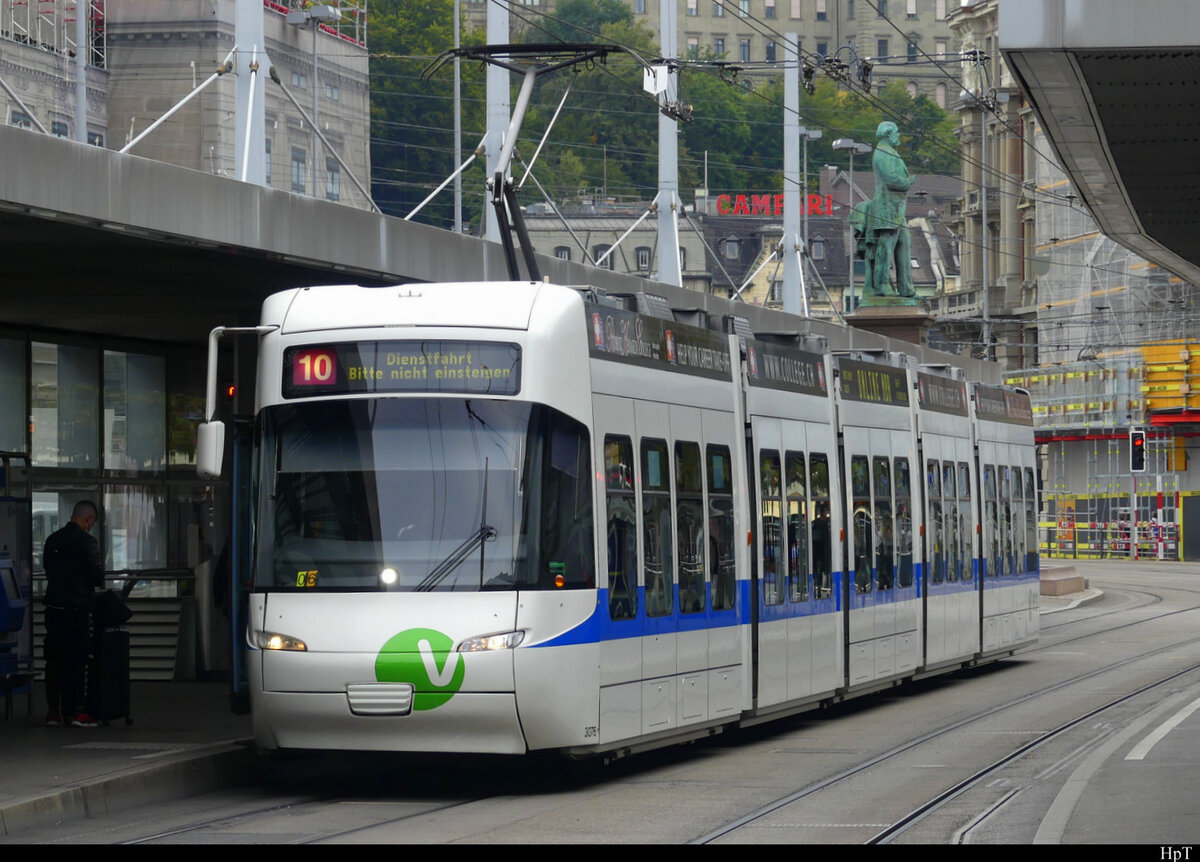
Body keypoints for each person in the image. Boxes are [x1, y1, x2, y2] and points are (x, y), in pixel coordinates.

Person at [43, 500, 105, 727]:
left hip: (54, 608)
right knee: (79, 660)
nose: (92, 527)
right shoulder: (88, 542)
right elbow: (97, 576)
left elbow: (49, 570)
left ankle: (53, 712)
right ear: (89, 520)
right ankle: (78, 712)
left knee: (54, 660)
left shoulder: (52, 540)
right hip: (78, 609)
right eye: (93, 523)